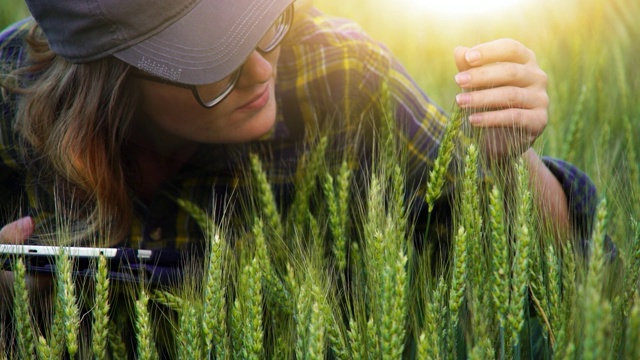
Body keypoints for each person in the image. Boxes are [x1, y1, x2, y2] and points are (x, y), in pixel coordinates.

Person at [1, 0, 595, 327]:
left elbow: (566, 273)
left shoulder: (342, 77)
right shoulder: (11, 97)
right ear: (109, 81)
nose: (263, 71)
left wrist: (510, 162)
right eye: (213, 61)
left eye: (259, 24)